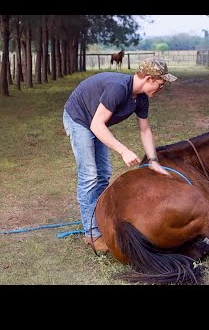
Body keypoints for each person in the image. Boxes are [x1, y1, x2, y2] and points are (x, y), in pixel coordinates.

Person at [63, 58, 177, 253]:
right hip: (80, 118)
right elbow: (96, 125)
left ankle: (99, 219)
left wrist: (153, 160)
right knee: (90, 175)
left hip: (97, 122)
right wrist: (123, 150)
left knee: (104, 173)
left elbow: (145, 130)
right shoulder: (118, 88)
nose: (161, 88)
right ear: (149, 78)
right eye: (161, 83)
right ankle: (92, 233)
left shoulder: (140, 98)